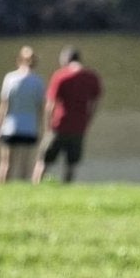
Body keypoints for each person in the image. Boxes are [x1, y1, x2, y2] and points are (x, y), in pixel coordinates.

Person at [35, 46, 103, 183]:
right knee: (72, 164)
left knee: (43, 160)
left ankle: (36, 185)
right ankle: (67, 188)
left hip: (58, 125)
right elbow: (95, 103)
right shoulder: (92, 77)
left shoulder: (60, 75)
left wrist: (47, 127)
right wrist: (88, 120)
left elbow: (50, 104)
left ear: (65, 59)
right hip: (79, 127)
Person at [0, 45, 45, 182]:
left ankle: (1, 191)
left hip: (10, 127)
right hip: (29, 128)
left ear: (19, 60)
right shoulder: (38, 82)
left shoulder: (10, 78)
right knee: (25, 166)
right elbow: (39, 108)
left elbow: (4, 105)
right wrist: (40, 129)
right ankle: (22, 195)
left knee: (6, 164)